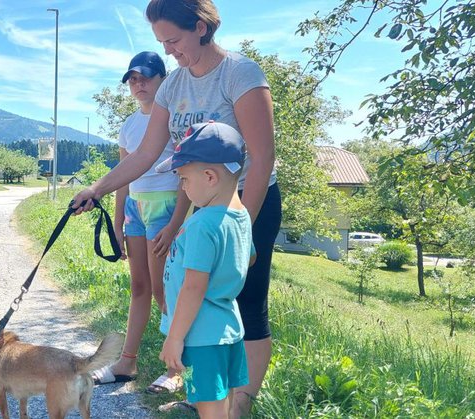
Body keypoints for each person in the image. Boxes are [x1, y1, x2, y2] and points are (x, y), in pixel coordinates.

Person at [71, 1, 281, 416]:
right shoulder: (173, 86)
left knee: (246, 303)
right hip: (203, 206)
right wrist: (97, 188)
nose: (168, 50)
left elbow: (263, 157)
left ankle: (239, 405)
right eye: (160, 41)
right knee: (200, 305)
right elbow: (146, 152)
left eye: (173, 39)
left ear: (201, 28)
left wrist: (242, 227)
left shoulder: (240, 73)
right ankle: (208, 398)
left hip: (247, 203)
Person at [89, 51, 192, 395]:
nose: (139, 84)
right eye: (132, 79)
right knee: (138, 287)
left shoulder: (174, 119)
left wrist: (177, 221)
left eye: (146, 76)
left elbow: (185, 175)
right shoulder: (128, 126)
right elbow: (123, 177)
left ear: (163, 79)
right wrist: (117, 223)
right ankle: (127, 362)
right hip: (135, 207)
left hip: (165, 206)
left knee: (165, 289)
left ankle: (175, 369)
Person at [156, 121, 255, 418]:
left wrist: (175, 337)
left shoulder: (202, 223)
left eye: (184, 179)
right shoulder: (241, 216)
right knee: (223, 405)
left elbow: (194, 287)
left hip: (201, 335)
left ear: (210, 177)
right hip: (229, 329)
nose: (183, 187)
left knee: (210, 411)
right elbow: (249, 258)